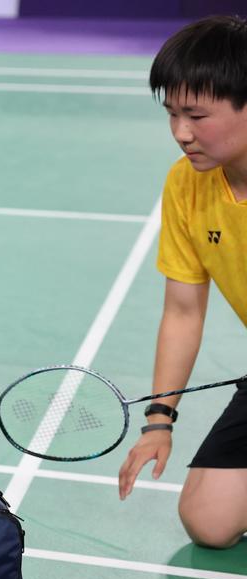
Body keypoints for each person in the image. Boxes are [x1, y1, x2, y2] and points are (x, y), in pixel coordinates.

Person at [118, 16, 247, 550]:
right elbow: (183, 311)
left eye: (197, 115)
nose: (181, 133)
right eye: (172, 113)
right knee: (207, 522)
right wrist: (158, 421)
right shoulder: (187, 183)